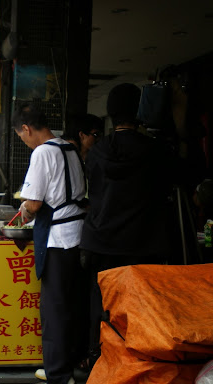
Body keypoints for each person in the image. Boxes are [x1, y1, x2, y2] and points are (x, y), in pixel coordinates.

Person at [80, 83, 174, 370]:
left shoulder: (97, 151)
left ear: (111, 113)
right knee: (140, 304)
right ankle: (137, 362)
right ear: (140, 111)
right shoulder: (156, 150)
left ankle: (101, 359)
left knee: (103, 302)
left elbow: (92, 192)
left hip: (101, 239)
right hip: (143, 241)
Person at [13, 103, 88, 384]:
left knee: (54, 311)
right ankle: (71, 363)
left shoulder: (43, 152)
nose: (25, 142)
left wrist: (21, 219)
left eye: (22, 137)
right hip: (79, 237)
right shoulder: (70, 148)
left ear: (26, 129)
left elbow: (33, 203)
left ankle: (58, 374)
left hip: (57, 241)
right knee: (73, 305)